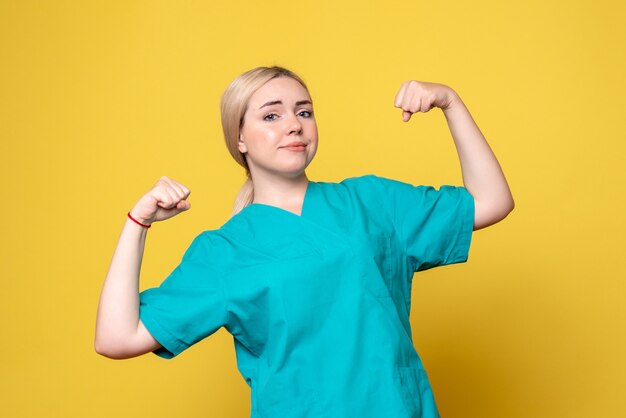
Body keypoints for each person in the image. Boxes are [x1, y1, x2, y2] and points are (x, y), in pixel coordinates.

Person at [95, 66, 514, 417]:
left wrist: (450, 103)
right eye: (271, 116)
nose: (294, 123)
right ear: (239, 138)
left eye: (304, 111)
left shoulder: (371, 202)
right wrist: (138, 222)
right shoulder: (224, 253)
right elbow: (117, 338)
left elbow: (492, 201)